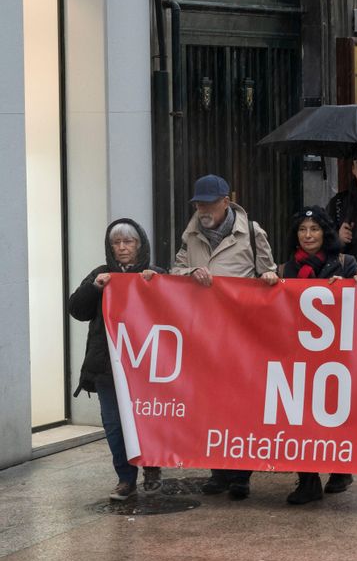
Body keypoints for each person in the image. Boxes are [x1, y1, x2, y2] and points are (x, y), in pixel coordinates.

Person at [171, 174, 279, 500]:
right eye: (198, 203)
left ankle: (240, 475)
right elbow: (174, 272)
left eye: (208, 203)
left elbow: (267, 274)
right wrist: (190, 272)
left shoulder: (252, 233)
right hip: (204, 338)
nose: (202, 209)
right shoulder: (190, 235)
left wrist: (271, 277)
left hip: (241, 337)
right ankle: (218, 471)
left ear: (225, 203)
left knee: (241, 407)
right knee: (211, 406)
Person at [68, 219, 164, 501]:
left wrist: (156, 283)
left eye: (128, 242)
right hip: (108, 366)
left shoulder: (155, 273)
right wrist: (94, 288)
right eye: (116, 243)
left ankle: (152, 470)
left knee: (148, 419)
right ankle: (125, 478)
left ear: (139, 244)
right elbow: (77, 309)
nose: (122, 248)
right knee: (113, 424)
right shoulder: (100, 274)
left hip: (145, 366)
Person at [279, 206, 357, 505]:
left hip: (337, 356)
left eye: (314, 229)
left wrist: (351, 287)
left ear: (325, 232)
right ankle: (308, 479)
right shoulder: (288, 269)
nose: (308, 235)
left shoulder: (346, 263)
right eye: (302, 229)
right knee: (301, 417)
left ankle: (341, 468)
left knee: (335, 413)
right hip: (300, 356)